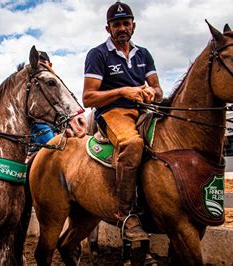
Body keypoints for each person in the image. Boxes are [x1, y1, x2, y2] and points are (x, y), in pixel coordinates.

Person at [82, 1, 163, 241]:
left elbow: (158, 88)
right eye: (116, 24)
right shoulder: (98, 55)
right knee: (133, 144)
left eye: (125, 23)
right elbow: (88, 98)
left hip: (144, 110)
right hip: (112, 113)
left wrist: (152, 93)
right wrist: (122, 92)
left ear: (133, 26)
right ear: (108, 28)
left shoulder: (144, 53)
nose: (121, 28)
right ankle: (125, 214)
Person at [30, 51, 56, 148]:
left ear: (50, 65)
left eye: (43, 62)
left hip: (57, 125)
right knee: (54, 148)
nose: (40, 65)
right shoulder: (33, 81)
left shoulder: (56, 83)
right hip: (40, 123)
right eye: (38, 63)